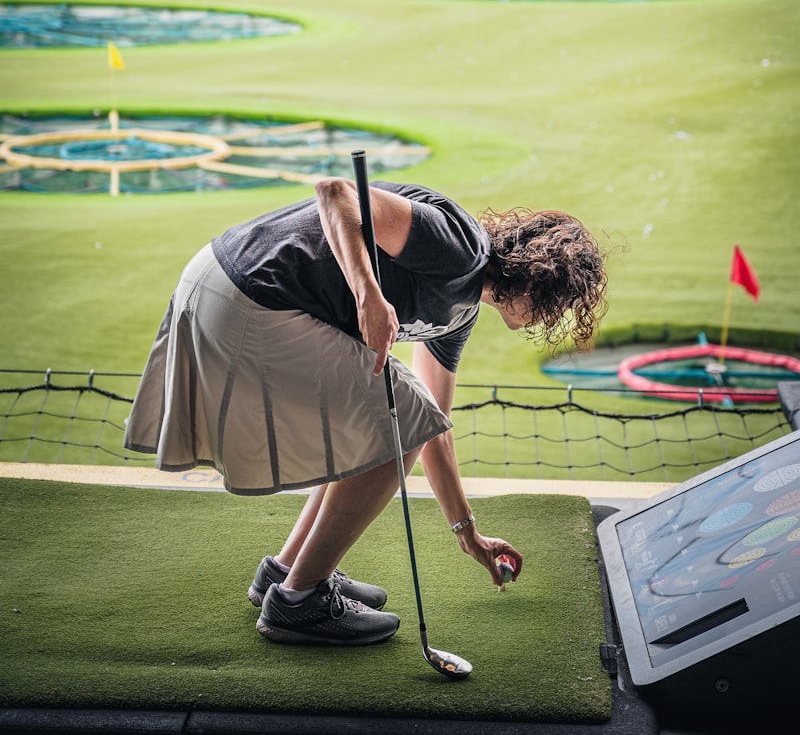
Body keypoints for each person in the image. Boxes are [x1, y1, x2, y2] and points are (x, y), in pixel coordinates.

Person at [125, 176, 607, 648]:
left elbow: (434, 423)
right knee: (394, 423)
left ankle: (289, 571)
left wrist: (468, 532)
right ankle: (299, 601)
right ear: (535, 279)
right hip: (245, 294)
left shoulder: (459, 311)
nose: (549, 320)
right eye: (554, 304)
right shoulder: (460, 249)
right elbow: (335, 193)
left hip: (235, 290)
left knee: (396, 421)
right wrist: (367, 294)